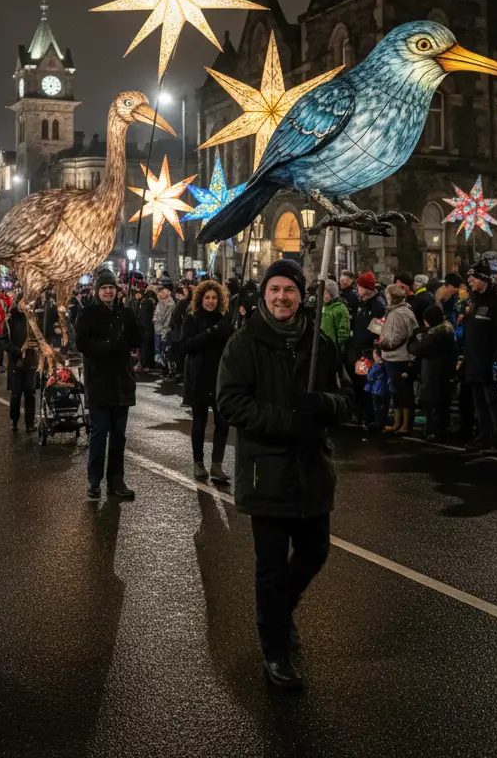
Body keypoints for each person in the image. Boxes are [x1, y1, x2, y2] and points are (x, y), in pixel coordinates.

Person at [216, 259, 352, 690]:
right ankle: (275, 650)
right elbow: (231, 403)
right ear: (264, 295)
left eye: (289, 290)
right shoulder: (244, 343)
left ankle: (281, 612)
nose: (281, 298)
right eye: (274, 290)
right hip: (267, 473)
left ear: (301, 295)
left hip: (312, 469)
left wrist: (328, 405)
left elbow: (346, 394)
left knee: (314, 554)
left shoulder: (319, 342)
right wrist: (289, 419)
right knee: (271, 568)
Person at [75, 269, 142, 501]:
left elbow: (136, 340)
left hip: (121, 383)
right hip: (99, 383)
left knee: (118, 437)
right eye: (104, 288)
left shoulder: (124, 312)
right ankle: (94, 481)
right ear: (97, 291)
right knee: (99, 434)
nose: (108, 291)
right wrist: (108, 345)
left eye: (111, 288)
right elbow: (82, 343)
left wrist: (132, 320)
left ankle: (116, 481)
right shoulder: (88, 314)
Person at [180, 279, 233, 483]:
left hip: (220, 377)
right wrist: (210, 333)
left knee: (223, 422)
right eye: (207, 297)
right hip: (199, 376)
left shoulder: (224, 318)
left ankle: (217, 464)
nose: (211, 301)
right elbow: (186, 345)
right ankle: (198, 462)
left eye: (214, 298)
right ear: (200, 299)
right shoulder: (192, 319)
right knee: (199, 422)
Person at [461, 260, 497, 454]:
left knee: (494, 405)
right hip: (474, 361)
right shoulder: (474, 300)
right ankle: (484, 437)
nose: (470, 282)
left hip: (491, 362)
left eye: (473, 278)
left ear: (484, 279)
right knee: (479, 404)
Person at [408, 304, 457, 440]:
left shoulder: (436, 336)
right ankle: (441, 428)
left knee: (433, 403)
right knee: (441, 404)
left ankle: (433, 430)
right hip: (442, 373)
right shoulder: (446, 333)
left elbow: (420, 349)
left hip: (434, 374)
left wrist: (414, 341)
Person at [378, 283, 418, 435]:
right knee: (396, 391)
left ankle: (405, 424)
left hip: (399, 357)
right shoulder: (395, 311)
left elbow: (398, 336)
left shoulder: (399, 313)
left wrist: (382, 344)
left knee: (403, 392)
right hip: (394, 356)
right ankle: (397, 422)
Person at [350, 272, 385, 426]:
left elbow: (376, 330)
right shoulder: (362, 304)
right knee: (359, 382)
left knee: (368, 383)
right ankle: (361, 413)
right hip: (359, 348)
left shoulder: (377, 305)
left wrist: (371, 347)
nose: (357, 289)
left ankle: (371, 415)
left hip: (368, 350)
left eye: (359, 286)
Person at [2, 295, 38, 431]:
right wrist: (17, 350)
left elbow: (40, 336)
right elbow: (4, 341)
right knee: (16, 394)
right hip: (15, 362)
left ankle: (29, 423)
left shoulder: (33, 318)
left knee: (30, 394)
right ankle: (14, 421)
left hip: (30, 362)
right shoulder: (9, 319)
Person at [320, 280, 350, 357]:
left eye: (325, 293)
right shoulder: (323, 307)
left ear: (332, 293)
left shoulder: (340, 308)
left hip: (335, 346)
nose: (323, 296)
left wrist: (340, 343)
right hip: (323, 344)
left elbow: (344, 328)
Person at [153, 287, 175, 369]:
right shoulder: (161, 301)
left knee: (164, 351)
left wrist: (164, 331)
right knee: (158, 350)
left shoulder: (170, 303)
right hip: (158, 329)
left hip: (164, 330)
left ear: (168, 292)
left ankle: (166, 368)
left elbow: (168, 319)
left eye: (163, 292)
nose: (160, 293)